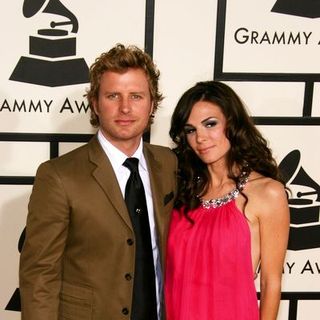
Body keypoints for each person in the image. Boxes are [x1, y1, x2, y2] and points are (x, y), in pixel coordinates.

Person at [19, 43, 177, 320]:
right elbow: (40, 275)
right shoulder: (58, 176)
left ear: (152, 103)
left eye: (136, 96)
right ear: (95, 102)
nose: (125, 107)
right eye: (113, 95)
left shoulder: (170, 165)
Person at [165, 81, 290, 320]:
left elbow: (271, 281)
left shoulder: (267, 193)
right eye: (190, 130)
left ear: (232, 124)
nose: (200, 138)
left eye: (210, 124)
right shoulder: (180, 191)